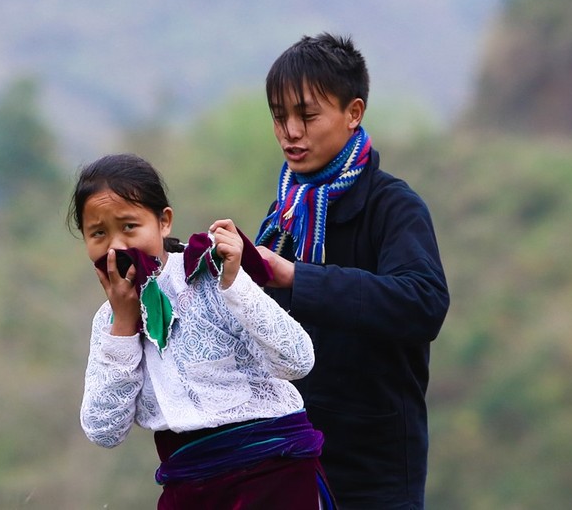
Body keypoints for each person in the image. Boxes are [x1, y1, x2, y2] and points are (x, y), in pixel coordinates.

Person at [69, 153, 337, 509]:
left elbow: (298, 361)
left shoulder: (212, 276)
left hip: (273, 473)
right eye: (98, 233)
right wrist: (123, 324)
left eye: (129, 227)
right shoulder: (109, 322)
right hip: (190, 486)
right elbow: (104, 430)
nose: (116, 246)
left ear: (164, 222)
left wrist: (235, 285)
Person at [255, 33, 450, 509]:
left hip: (373, 477)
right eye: (280, 117)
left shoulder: (394, 207)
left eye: (307, 115)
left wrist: (296, 278)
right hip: (286, 462)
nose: (290, 132)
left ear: (353, 112)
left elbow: (423, 303)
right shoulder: (283, 215)